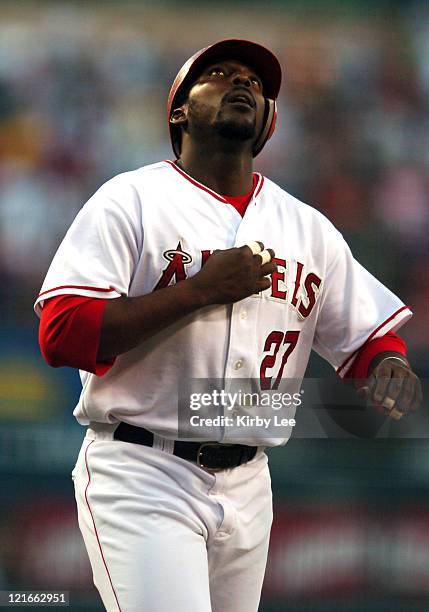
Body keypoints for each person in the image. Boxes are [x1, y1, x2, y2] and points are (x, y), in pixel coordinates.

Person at [34, 39, 422, 612]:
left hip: (250, 481)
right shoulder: (131, 200)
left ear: (268, 121)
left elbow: (367, 337)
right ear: (179, 111)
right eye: (217, 74)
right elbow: (61, 333)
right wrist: (199, 291)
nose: (242, 83)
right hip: (143, 470)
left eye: (255, 83)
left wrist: (389, 364)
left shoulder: (307, 228)